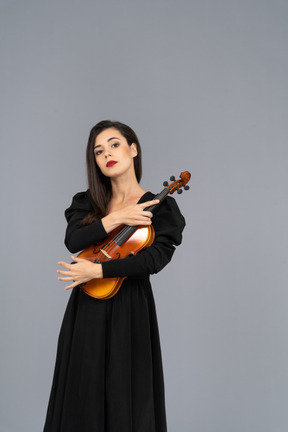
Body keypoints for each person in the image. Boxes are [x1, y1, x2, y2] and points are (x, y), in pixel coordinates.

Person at [43, 120, 186, 432]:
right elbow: (74, 241)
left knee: (127, 396)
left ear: (133, 149)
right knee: (82, 394)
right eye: (98, 151)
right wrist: (116, 218)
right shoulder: (87, 202)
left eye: (114, 144)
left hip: (130, 311)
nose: (106, 153)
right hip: (87, 310)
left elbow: (155, 259)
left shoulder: (162, 208)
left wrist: (98, 270)